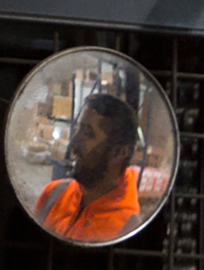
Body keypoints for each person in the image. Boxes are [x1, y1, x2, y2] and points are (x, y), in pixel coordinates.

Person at [34, 92, 143, 243]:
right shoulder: (53, 193)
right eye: (78, 130)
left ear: (118, 153)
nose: (73, 142)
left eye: (87, 133)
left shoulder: (128, 230)